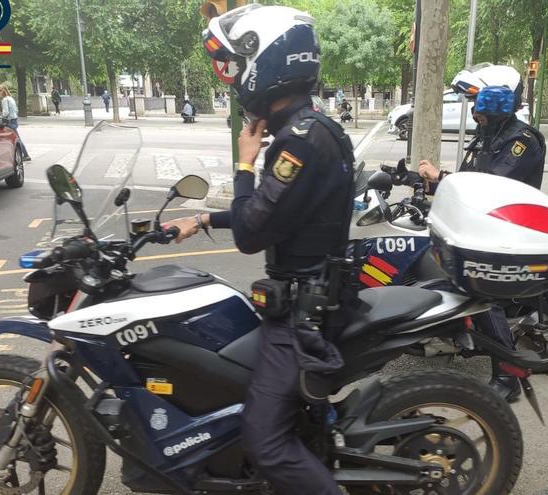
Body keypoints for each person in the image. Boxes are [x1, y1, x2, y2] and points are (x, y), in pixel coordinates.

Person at [166, 5, 354, 493]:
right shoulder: (312, 128)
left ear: (266, 61)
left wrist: (244, 165)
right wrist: (204, 218)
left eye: (236, 66)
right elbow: (280, 214)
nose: (234, 81)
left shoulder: (299, 142)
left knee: (265, 439)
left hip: (300, 315)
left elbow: (253, 233)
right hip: (309, 294)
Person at [417, 64, 546, 401]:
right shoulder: (490, 136)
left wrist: (442, 176)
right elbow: (469, 179)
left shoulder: (521, 140)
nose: (473, 109)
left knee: (482, 294)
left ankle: (509, 376)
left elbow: (490, 185)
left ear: (497, 101)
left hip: (510, 232)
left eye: (477, 100)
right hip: (483, 226)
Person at [0, 84, 30, 161]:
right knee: (15, 138)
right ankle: (23, 154)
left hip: (9, 121)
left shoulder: (5, 100)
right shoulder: (11, 98)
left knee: (13, 139)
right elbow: (16, 110)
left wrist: (1, 117)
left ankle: (24, 154)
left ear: (2, 91)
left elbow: (5, 112)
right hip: (14, 120)